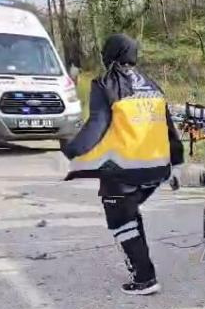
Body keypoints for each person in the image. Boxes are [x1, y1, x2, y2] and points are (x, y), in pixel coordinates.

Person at [63, 33, 184, 295]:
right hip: (156, 170)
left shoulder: (104, 84)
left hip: (124, 170)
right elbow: (169, 129)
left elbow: (96, 125)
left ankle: (144, 279)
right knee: (129, 211)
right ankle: (143, 267)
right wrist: (177, 163)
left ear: (110, 55)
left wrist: (72, 149)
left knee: (120, 218)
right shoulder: (152, 85)